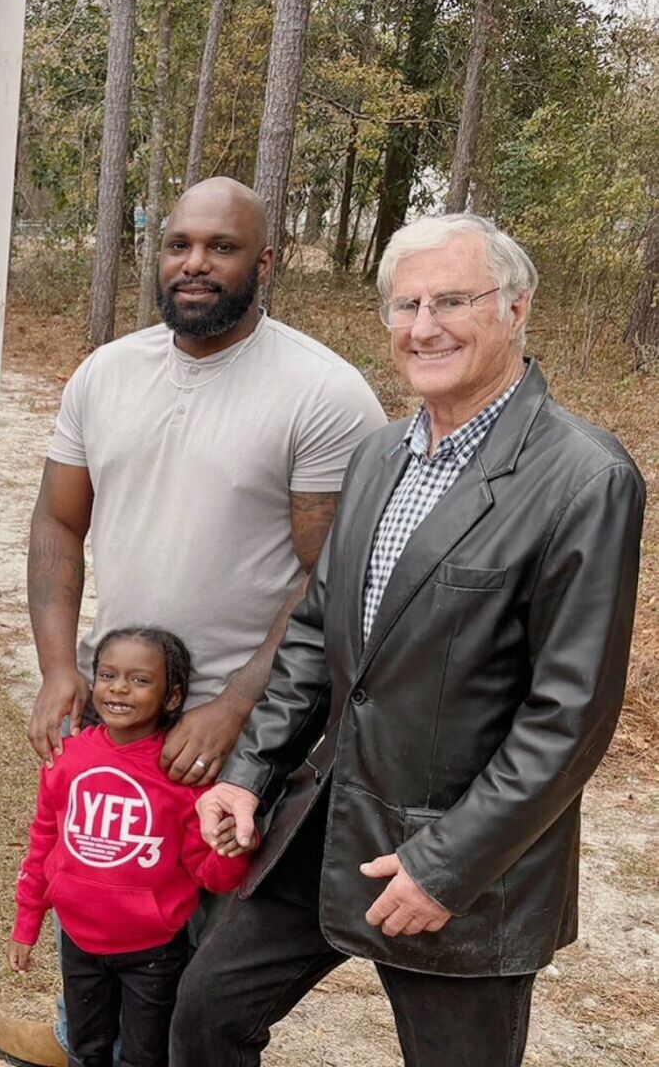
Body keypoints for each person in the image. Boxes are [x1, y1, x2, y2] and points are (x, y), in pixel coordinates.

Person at [173, 213, 647, 1067]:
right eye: (404, 305)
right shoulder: (377, 455)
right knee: (204, 1017)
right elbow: (317, 636)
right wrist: (248, 775)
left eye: (451, 300)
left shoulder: (584, 477)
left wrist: (445, 866)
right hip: (328, 816)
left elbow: (566, 718)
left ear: (514, 309)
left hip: (465, 855)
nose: (423, 326)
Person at [0, 178, 387, 1067]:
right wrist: (60, 668)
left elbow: (334, 578)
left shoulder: (320, 392)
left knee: (200, 922)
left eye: (221, 247)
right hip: (122, 699)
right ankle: (79, 1031)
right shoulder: (105, 373)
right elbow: (56, 519)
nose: (194, 263)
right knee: (101, 861)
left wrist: (237, 704)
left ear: (264, 262)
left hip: (250, 720)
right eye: (178, 244)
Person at [11, 628, 249, 1067]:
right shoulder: (67, 757)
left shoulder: (181, 775)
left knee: (143, 1058)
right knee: (86, 1050)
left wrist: (232, 850)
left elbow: (206, 871)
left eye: (140, 680)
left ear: (172, 697)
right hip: (79, 944)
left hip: (153, 953)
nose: (119, 688)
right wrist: (27, 923)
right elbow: (43, 840)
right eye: (107, 675)